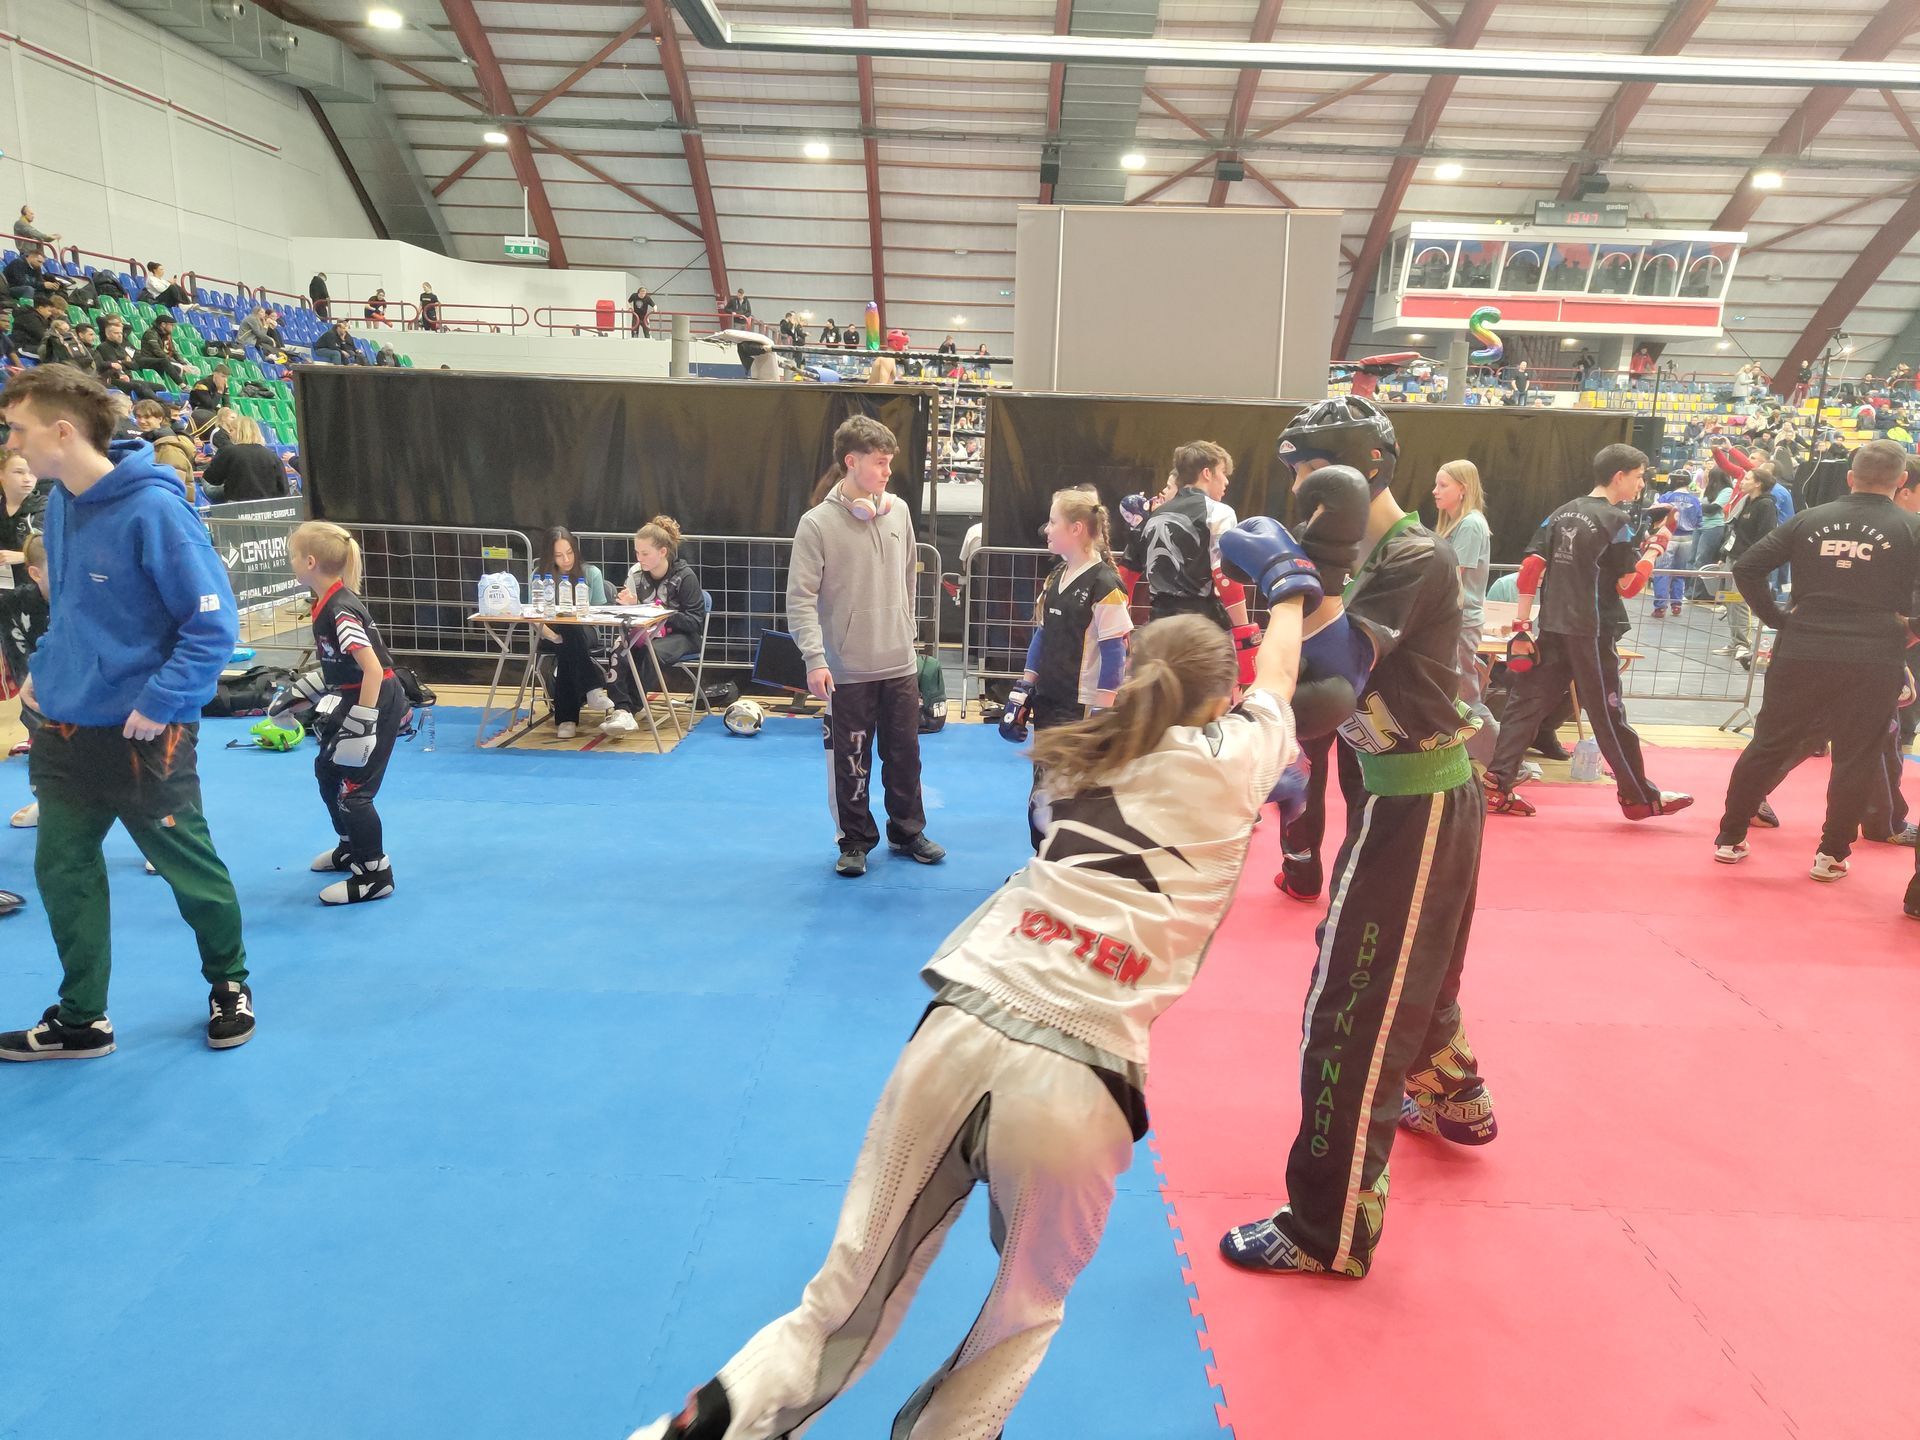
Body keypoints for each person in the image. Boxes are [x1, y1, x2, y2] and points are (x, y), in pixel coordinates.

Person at [623, 588, 1310, 1440]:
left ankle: (697, 1429)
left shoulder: (1078, 754)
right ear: (1220, 700)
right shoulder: (1237, 757)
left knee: (836, 1306)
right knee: (1021, 1313)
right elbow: (1282, 674)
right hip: (1082, 1079)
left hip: (961, 1021)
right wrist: (1291, 591)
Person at [1219, 415, 1499, 1283]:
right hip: (1395, 794)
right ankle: (1454, 1093)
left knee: (1351, 1008)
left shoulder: (1413, 557)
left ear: (1362, 470)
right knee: (1410, 971)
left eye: (1314, 471)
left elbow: (1334, 678)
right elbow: (1308, 691)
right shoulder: (1368, 560)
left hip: (1419, 797)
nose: (1302, 491)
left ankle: (1328, 1229)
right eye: (1296, 473)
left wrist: (1295, 582)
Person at [0, 364, 251, 1061]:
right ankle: (82, 1018)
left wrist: (162, 700)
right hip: (64, 730)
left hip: (146, 736)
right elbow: (71, 608)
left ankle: (229, 982)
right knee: (63, 870)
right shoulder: (59, 505)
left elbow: (212, 625)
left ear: (61, 431)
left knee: (188, 869)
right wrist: (45, 669)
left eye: (17, 429)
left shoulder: (156, 512)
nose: (11, 442)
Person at [1711, 441, 1920, 886]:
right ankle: (1831, 855)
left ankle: (1729, 838)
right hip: (1873, 654)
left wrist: (1777, 619)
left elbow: (1747, 567)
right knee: (1856, 757)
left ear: (1850, 476)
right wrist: (1913, 628)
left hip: (1802, 646)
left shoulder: (1811, 519)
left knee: (1768, 744)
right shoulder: (1912, 527)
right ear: (1902, 480)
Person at [1482, 443, 1692, 820]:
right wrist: (1657, 546)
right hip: (1592, 631)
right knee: (1608, 713)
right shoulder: (1617, 520)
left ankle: (1497, 784)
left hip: (1552, 626)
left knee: (1526, 704)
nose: (1641, 484)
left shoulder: (1560, 513)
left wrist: (1522, 626)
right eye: (1638, 476)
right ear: (1619, 476)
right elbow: (1629, 586)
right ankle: (1638, 797)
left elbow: (1530, 569)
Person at [787, 416, 944, 877]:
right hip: (847, 668)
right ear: (851, 462)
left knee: (905, 757)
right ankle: (854, 840)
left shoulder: (900, 512)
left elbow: (909, 578)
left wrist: (906, 633)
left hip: (899, 663)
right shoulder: (816, 524)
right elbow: (800, 598)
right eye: (879, 462)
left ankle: (908, 831)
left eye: (889, 462)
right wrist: (815, 659)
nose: (888, 471)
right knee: (851, 761)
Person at [275, 521, 408, 905]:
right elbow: (343, 665)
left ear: (310, 562)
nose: (291, 562)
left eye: (293, 556)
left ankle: (374, 874)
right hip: (357, 696)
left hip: (376, 699)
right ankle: (350, 846)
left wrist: (362, 724)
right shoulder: (327, 603)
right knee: (328, 770)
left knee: (354, 791)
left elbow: (372, 669)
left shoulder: (340, 609)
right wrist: (301, 694)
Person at [1000, 487, 1132, 848]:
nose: (1046, 529)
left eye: (1053, 522)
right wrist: (1024, 686)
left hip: (1081, 706)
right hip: (1049, 698)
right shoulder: (1056, 577)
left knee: (1073, 789)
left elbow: (1115, 651)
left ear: (1076, 529)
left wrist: (1104, 711)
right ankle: (1042, 857)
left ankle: (1068, 860)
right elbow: (1043, 634)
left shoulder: (1105, 585)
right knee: (1042, 785)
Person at [603, 516, 703, 737]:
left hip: (682, 636)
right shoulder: (636, 575)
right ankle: (621, 709)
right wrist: (630, 605)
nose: (640, 558)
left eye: (645, 553)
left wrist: (664, 614)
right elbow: (632, 613)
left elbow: (695, 621)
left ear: (663, 552)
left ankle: (632, 706)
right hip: (647, 632)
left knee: (650, 652)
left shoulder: (685, 577)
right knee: (619, 648)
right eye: (637, 553)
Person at [1432, 458, 1497, 765]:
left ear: (1463, 489)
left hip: (1459, 622)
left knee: (1466, 696)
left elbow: (1453, 577)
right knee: (1457, 693)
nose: (1435, 491)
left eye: (1443, 485)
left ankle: (1504, 761)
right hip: (1452, 621)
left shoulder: (1470, 524)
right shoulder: (1459, 524)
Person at [535, 526, 614, 739]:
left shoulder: (591, 573)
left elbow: (600, 613)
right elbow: (534, 616)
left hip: (586, 631)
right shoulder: (539, 577)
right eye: (559, 555)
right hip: (549, 633)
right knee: (566, 641)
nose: (566, 559)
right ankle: (592, 687)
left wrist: (564, 634)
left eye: (569, 553)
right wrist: (553, 636)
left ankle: (566, 719)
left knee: (569, 633)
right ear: (549, 556)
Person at [2, 533, 51, 829]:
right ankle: (46, 801)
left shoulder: (82, 598)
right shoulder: (12, 602)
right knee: (42, 746)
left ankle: (158, 822)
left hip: (82, 694)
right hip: (33, 694)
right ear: (35, 573)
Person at [1713, 466, 1779, 664]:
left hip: (1747, 562)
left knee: (1740, 602)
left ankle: (1744, 643)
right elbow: (1734, 532)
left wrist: (1751, 560)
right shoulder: (1744, 503)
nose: (1742, 481)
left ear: (1758, 483)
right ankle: (1734, 641)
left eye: (1747, 478)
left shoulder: (1766, 505)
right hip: (1733, 557)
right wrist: (1724, 554)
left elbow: (1765, 536)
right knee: (1729, 600)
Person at [199, 411, 287, 502]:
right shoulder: (272, 456)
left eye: (231, 430)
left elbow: (212, 479)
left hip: (237, 504)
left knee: (203, 476)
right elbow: (283, 489)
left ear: (239, 432)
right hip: (266, 505)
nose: (229, 434)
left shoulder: (228, 451)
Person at [1649, 474, 1703, 619]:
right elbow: (1700, 521)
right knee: (1679, 572)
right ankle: (1676, 605)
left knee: (1662, 571)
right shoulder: (1695, 500)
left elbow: (1653, 513)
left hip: (1668, 538)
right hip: (1687, 539)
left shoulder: (1666, 497)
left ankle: (1660, 607)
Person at [0, 453, 50, 591]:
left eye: (32, 472)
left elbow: (59, 549)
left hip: (33, 587)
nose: (27, 479)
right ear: (1, 474)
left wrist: (24, 556)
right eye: (18, 472)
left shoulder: (47, 508)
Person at [132, 400, 196, 491]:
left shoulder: (168, 446)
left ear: (160, 419)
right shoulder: (146, 440)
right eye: (138, 417)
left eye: (147, 417)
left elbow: (174, 486)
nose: (142, 421)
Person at [133, 314, 188, 385]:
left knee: (183, 368)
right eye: (171, 325)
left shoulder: (167, 335)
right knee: (176, 367)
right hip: (149, 360)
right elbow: (157, 351)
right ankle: (182, 386)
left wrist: (183, 363)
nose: (173, 327)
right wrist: (177, 363)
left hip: (160, 360)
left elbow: (173, 351)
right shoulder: (150, 333)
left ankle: (185, 386)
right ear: (163, 324)